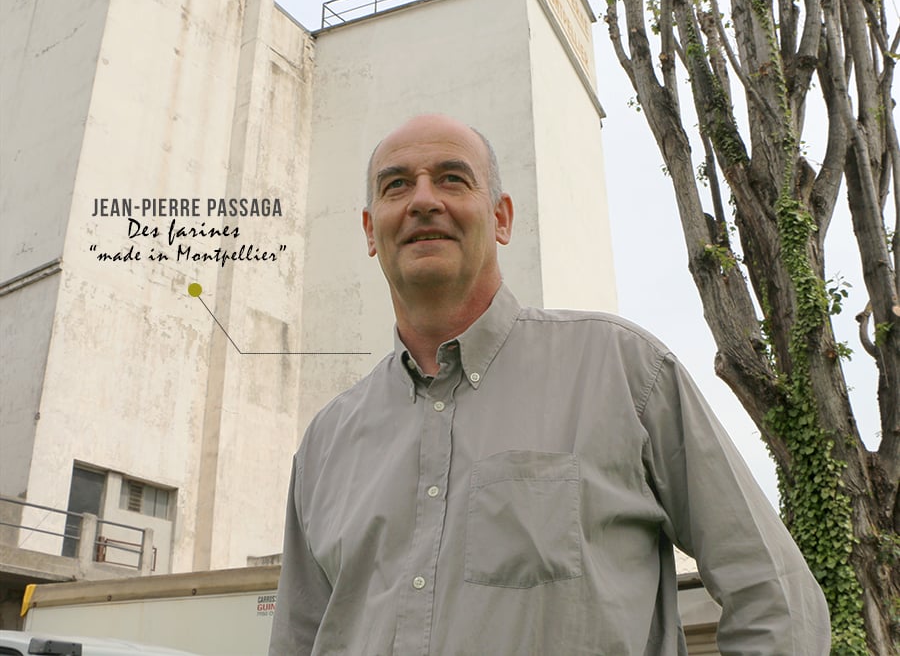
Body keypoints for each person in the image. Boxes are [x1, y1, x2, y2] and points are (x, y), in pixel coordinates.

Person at [269, 114, 830, 655]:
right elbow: (298, 640)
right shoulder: (325, 445)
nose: (422, 200)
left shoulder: (624, 372)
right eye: (396, 186)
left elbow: (775, 595)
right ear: (371, 231)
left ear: (503, 218)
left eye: (452, 179)